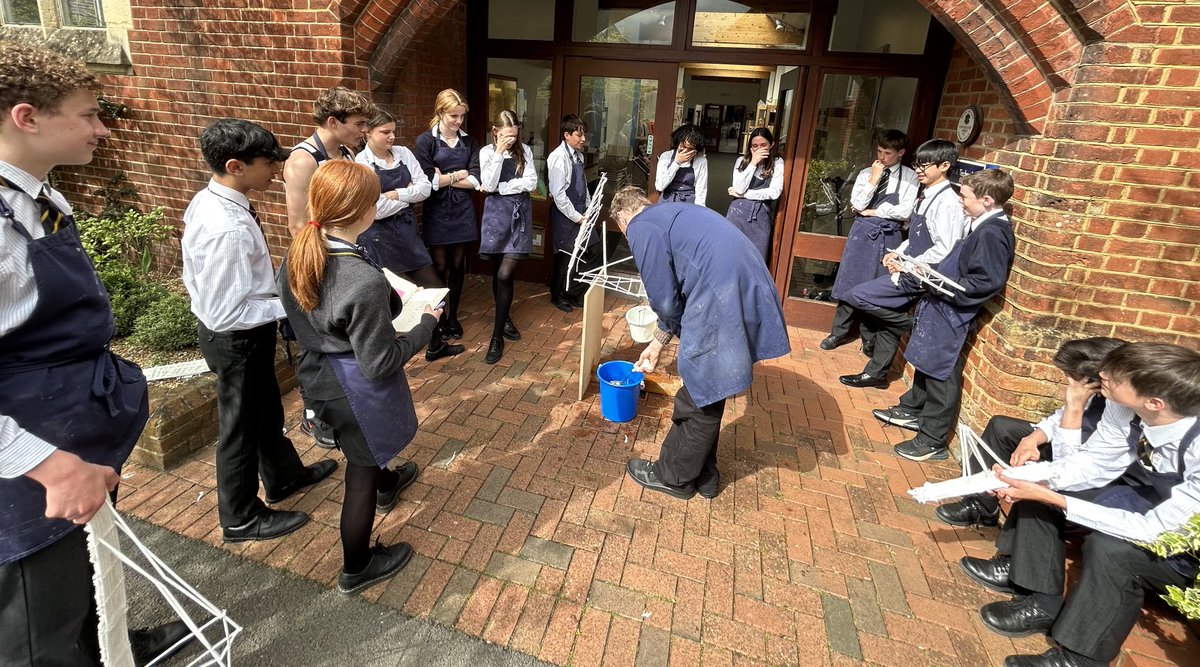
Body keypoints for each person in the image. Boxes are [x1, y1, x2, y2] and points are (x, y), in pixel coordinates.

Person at [0, 42, 188, 667]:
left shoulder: (40, 197)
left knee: (87, 574)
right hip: (28, 473)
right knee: (38, 631)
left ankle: (109, 642)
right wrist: (48, 466)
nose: (103, 129)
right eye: (87, 115)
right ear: (27, 117)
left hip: (74, 436)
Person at [962, 343, 1200, 667]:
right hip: (1154, 499)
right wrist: (1027, 479)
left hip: (1187, 541)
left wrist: (1050, 495)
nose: (1101, 376)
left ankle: (1079, 659)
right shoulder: (1124, 404)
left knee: (1111, 550)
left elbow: (1155, 531)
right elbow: (1091, 464)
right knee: (1045, 487)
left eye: (1114, 378)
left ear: (1154, 402)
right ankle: (1039, 601)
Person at [277, 160, 434, 594]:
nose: (381, 202)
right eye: (376, 198)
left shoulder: (300, 251)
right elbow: (380, 362)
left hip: (317, 373)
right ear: (362, 210)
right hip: (353, 388)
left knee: (361, 453)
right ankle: (356, 566)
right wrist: (425, 324)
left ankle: (388, 480)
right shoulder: (360, 279)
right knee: (360, 472)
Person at [183, 118, 337, 543]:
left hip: (247, 335)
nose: (275, 170)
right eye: (267, 163)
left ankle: (284, 476)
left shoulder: (218, 202)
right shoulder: (225, 227)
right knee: (239, 428)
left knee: (266, 410)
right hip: (236, 340)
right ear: (235, 165)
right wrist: (291, 303)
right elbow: (227, 310)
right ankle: (240, 517)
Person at [609, 187, 790, 500]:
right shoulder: (673, 213)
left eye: (623, 233)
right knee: (708, 389)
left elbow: (664, 302)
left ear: (623, 220)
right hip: (745, 284)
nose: (628, 239)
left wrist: (673, 335)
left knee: (698, 393)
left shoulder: (640, 226)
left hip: (720, 295)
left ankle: (673, 477)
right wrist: (656, 346)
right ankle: (705, 475)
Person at [869, 168, 1015, 461]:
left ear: (987, 200)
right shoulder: (979, 223)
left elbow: (986, 281)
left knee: (941, 372)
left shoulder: (993, 232)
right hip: (941, 302)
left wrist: (947, 288)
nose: (961, 201)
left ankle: (932, 439)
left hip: (954, 309)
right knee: (925, 358)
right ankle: (913, 409)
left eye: (966, 196)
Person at [934, 337, 1127, 527]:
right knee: (1001, 427)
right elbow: (1056, 419)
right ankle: (980, 505)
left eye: (1071, 375)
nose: (1067, 380)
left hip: (1086, 466)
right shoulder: (1091, 392)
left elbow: (1069, 465)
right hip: (1067, 444)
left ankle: (1015, 552)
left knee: (1038, 482)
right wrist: (1032, 439)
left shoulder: (1120, 408)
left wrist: (1074, 406)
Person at [284, 86, 377, 448]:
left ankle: (346, 400)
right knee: (317, 341)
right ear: (333, 121)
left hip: (345, 253)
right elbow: (297, 226)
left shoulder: (348, 151)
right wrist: (333, 268)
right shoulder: (303, 160)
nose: (364, 131)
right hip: (319, 263)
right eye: (359, 124)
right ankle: (315, 416)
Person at [839, 138, 967, 389]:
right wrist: (897, 251)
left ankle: (915, 326)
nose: (919, 170)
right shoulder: (928, 194)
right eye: (917, 165)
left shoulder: (948, 203)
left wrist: (906, 263)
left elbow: (945, 248)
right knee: (890, 319)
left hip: (921, 276)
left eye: (925, 166)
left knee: (857, 295)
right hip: (909, 268)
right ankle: (877, 373)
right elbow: (917, 235)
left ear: (944, 166)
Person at [354, 110, 462, 362]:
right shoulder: (361, 163)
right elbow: (376, 210)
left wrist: (395, 194)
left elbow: (424, 189)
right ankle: (386, 354)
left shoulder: (403, 153)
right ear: (368, 132)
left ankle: (434, 345)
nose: (392, 136)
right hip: (378, 238)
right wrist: (407, 194)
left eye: (393, 131)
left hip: (407, 233)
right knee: (388, 298)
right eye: (385, 132)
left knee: (435, 289)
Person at [822, 129, 918, 351]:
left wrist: (874, 212)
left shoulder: (910, 177)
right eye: (879, 150)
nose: (882, 157)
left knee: (876, 285)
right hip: (862, 234)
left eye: (887, 152)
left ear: (901, 152)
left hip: (888, 235)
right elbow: (857, 203)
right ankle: (838, 333)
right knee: (849, 282)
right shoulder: (867, 173)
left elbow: (905, 212)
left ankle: (869, 337)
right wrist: (874, 180)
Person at [413, 88, 480, 344]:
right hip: (437, 211)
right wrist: (457, 175)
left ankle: (453, 316)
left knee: (457, 266)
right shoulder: (425, 141)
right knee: (439, 266)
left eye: (461, 116)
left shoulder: (470, 142)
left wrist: (446, 178)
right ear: (440, 112)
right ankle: (438, 316)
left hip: (462, 211)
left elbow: (475, 180)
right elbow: (429, 181)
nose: (458, 121)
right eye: (453, 116)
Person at [477, 109, 537, 364]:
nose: (512, 140)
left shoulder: (525, 151)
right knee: (497, 272)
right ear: (496, 132)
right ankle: (505, 318)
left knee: (505, 273)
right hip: (495, 218)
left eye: (514, 136)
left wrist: (506, 187)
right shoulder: (487, 153)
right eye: (506, 136)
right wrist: (500, 153)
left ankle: (496, 337)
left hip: (519, 217)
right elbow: (488, 184)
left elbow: (532, 182)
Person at [547, 113, 602, 312]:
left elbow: (583, 186)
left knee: (594, 250)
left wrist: (588, 207)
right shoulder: (558, 157)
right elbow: (559, 194)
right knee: (565, 257)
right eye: (579, 135)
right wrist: (577, 217)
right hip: (565, 214)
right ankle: (557, 295)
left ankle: (573, 292)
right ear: (566, 135)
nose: (583, 139)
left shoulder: (577, 156)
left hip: (581, 212)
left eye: (583, 134)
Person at [725, 127, 784, 260]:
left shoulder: (777, 163)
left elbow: (774, 193)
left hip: (760, 216)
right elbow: (739, 188)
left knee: (756, 258)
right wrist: (753, 163)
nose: (759, 149)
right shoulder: (741, 161)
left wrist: (745, 195)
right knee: (732, 254)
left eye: (763, 145)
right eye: (755, 146)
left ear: (771, 145)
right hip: (737, 214)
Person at [655, 123, 708, 206]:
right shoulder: (666, 156)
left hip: (688, 203)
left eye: (690, 149)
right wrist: (676, 163)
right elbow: (660, 186)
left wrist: (699, 211)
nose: (685, 151)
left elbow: (701, 191)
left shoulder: (701, 161)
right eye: (683, 146)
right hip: (667, 202)